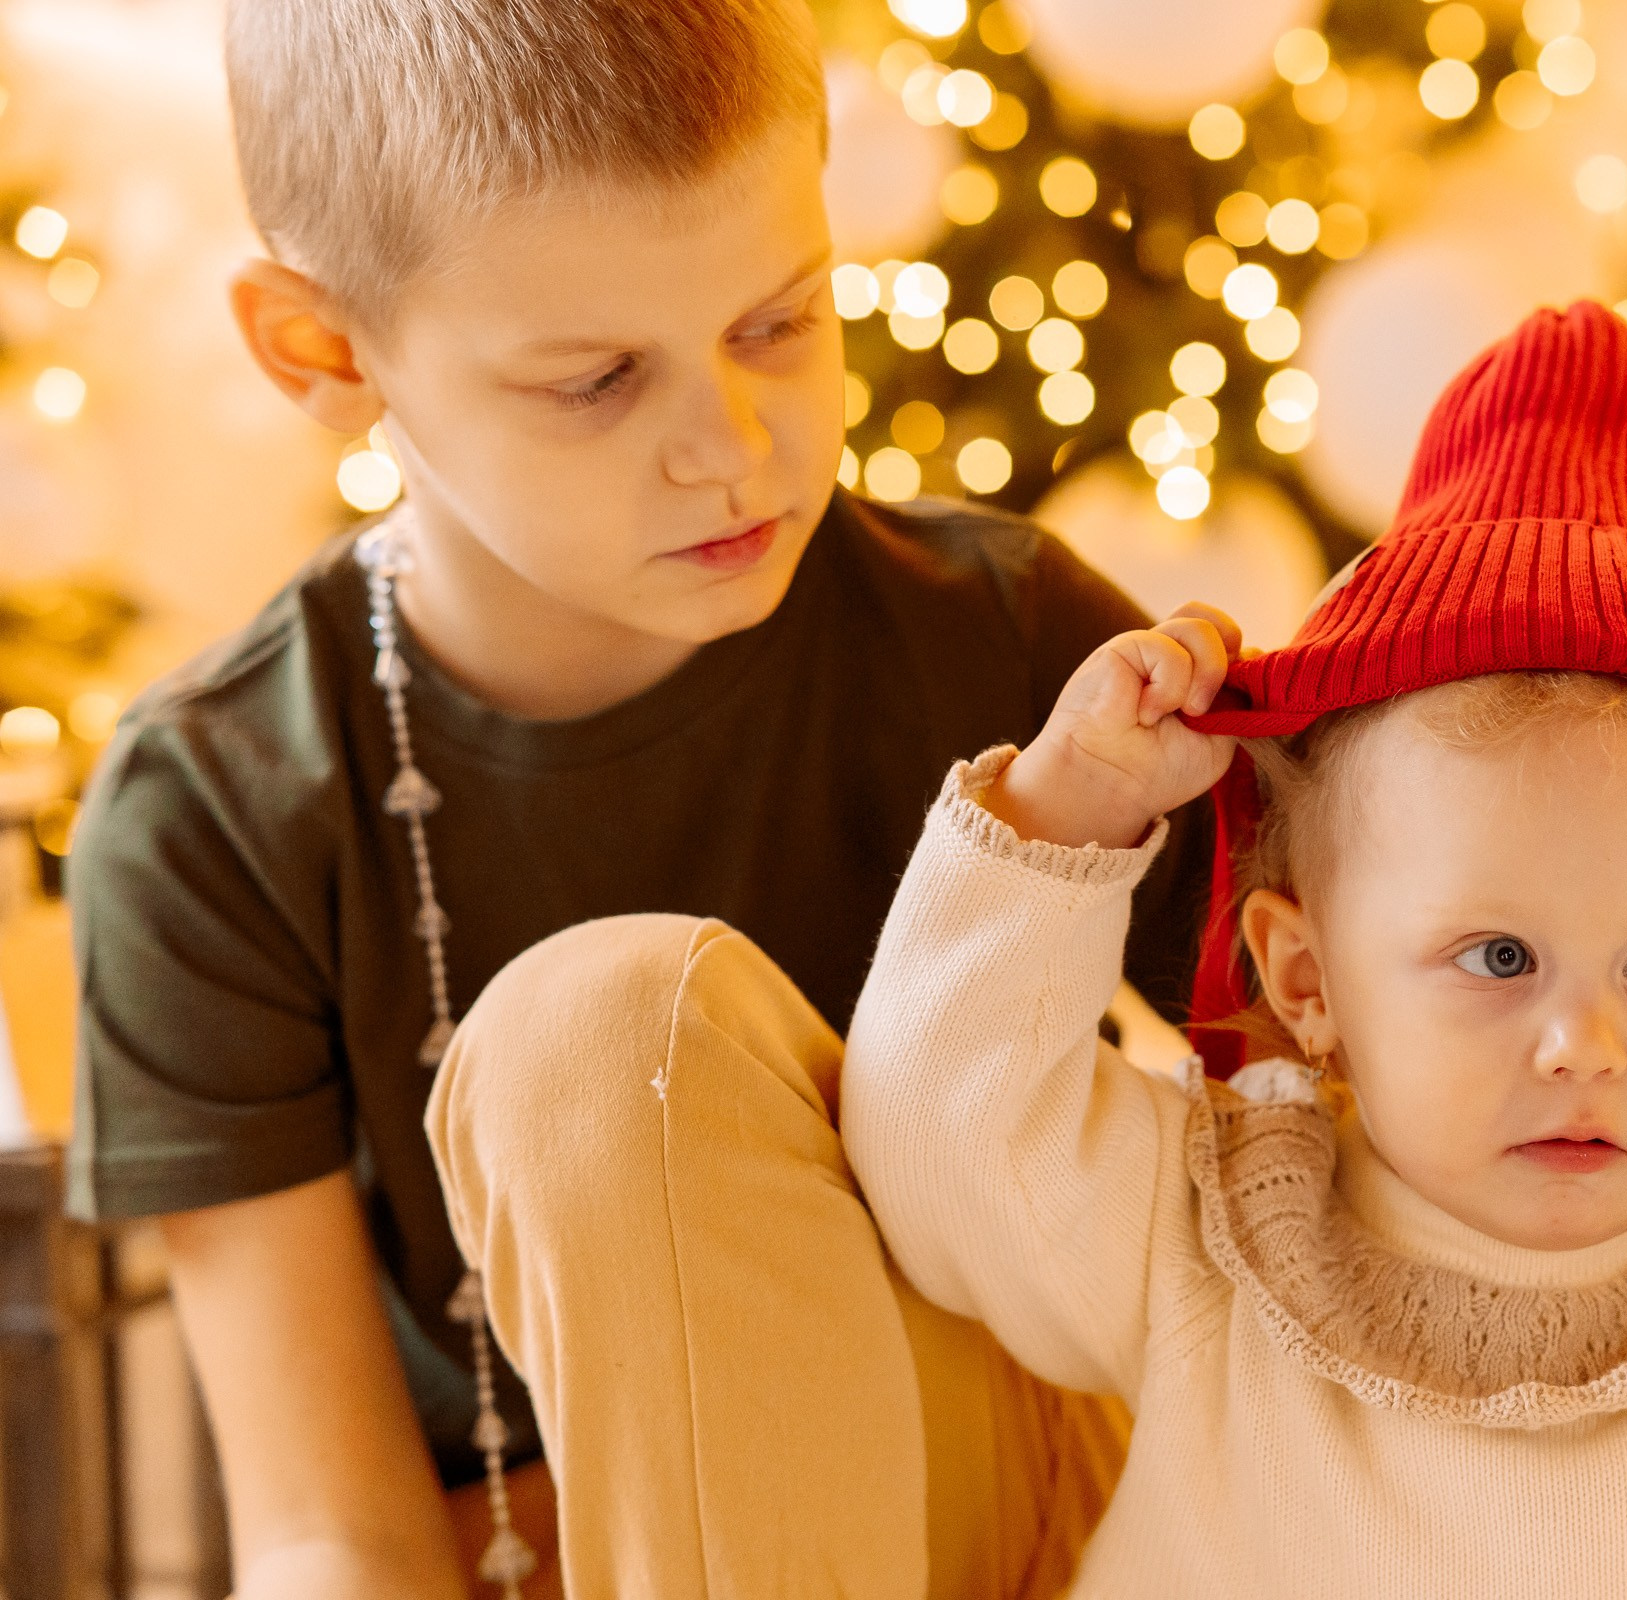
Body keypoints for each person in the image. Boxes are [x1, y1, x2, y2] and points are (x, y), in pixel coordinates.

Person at [429, 301, 1627, 1596]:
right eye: (1495, 959)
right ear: (1305, 985)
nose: (1585, 1043)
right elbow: (942, 1154)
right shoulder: (1229, 1223)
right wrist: (1066, 820)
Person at [64, 3, 1209, 1596]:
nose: (731, 448)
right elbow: (329, 1528)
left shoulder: (1016, 641)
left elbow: (1350, 1149)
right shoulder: (211, 810)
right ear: (324, 353)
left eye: (780, 322)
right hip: (552, 1561)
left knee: (601, 1034)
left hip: (1051, 1517)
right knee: (594, 1043)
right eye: (596, 380)